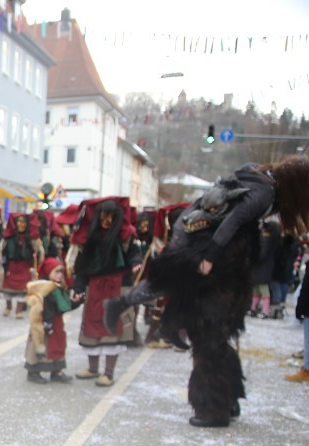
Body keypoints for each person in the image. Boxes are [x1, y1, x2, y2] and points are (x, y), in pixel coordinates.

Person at [107, 155, 309, 426]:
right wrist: (210, 258)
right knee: (176, 291)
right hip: (201, 242)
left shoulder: (260, 178)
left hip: (215, 250)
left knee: (210, 331)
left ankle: (226, 398)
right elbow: (232, 221)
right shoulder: (266, 193)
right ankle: (213, 406)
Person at [72, 198, 140, 386]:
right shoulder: (88, 239)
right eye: (103, 215)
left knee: (113, 328)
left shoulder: (126, 236)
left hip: (117, 287)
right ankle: (93, 369)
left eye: (111, 216)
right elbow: (81, 268)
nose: (107, 220)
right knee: (91, 329)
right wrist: (78, 289)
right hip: (93, 288)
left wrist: (136, 262)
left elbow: (134, 252)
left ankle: (108, 374)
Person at [24, 256, 78, 383]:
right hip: (44, 323)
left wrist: (77, 302)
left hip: (57, 322)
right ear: (49, 272)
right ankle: (33, 371)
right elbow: (42, 307)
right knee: (40, 345)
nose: (60, 275)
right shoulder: (44, 288)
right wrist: (46, 323)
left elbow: (63, 306)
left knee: (57, 344)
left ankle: (56, 371)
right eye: (56, 272)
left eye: (61, 272)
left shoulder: (58, 287)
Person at [1, 213, 42, 318]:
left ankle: (18, 311)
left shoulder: (32, 240)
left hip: (25, 266)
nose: (21, 224)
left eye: (23, 222)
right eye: (19, 222)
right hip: (11, 265)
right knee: (8, 290)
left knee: (22, 291)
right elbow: (2, 251)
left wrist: (36, 253)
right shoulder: (8, 238)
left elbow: (38, 253)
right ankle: (8, 307)